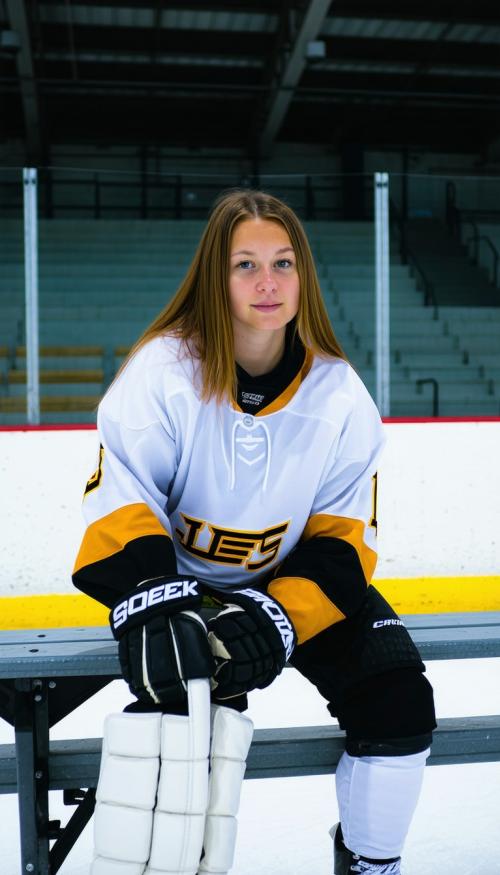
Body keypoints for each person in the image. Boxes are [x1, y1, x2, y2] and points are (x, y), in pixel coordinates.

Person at [73, 189, 436, 875]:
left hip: (291, 584)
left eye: (283, 262)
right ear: (216, 275)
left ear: (305, 275)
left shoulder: (338, 393)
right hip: (178, 586)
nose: (267, 283)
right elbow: (125, 502)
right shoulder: (164, 371)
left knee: (399, 697)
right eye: (245, 264)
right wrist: (160, 601)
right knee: (181, 726)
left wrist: (276, 617)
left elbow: (344, 535)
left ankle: (370, 865)